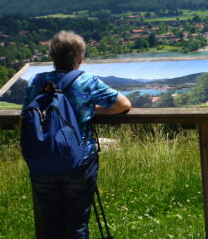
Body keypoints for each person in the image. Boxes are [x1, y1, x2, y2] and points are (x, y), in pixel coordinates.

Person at [22, 31, 131, 239]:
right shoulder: (86, 80)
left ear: (52, 57)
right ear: (80, 59)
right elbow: (123, 105)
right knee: (76, 223)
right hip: (79, 159)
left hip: (41, 160)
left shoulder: (37, 82)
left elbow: (24, 119)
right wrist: (94, 110)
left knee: (50, 222)